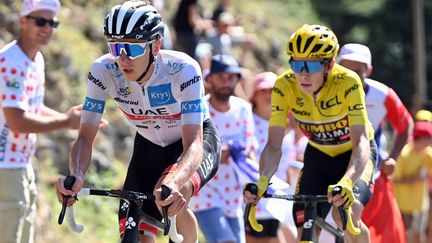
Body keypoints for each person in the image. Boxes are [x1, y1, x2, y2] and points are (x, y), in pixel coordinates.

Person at [55, 1, 221, 243]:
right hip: (148, 144)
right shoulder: (103, 71)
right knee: (135, 227)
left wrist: (175, 181)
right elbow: (85, 135)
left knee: (175, 193)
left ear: (156, 45)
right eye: (115, 46)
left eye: (132, 49)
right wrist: (76, 175)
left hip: (195, 142)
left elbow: (193, 143)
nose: (123, 58)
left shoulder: (183, 70)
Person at [243, 24, 377, 243]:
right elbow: (274, 145)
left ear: (329, 65)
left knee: (346, 217)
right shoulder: (283, 86)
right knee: (304, 230)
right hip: (318, 155)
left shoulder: (349, 83)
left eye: (311, 66)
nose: (302, 74)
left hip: (353, 155)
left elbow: (361, 142)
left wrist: (347, 181)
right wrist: (263, 181)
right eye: (296, 64)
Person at [0, 0, 82, 243]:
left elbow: (33, 108)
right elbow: (17, 121)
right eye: (41, 21)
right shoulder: (10, 62)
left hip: (21, 163)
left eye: (53, 22)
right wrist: (66, 122)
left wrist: (69, 119)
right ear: (23, 21)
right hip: (4, 166)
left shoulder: (36, 60)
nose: (47, 27)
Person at [321, 43, 413, 243]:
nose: (352, 75)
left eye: (358, 71)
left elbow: (406, 125)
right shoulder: (323, 90)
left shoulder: (383, 95)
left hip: (372, 174)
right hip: (333, 173)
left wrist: (392, 158)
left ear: (368, 71)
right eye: (346, 69)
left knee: (383, 234)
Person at [189, 54, 255, 243]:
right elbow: (191, 147)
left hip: (234, 196)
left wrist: (253, 183)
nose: (226, 82)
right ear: (210, 79)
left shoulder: (243, 109)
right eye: (221, 77)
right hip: (205, 194)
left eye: (231, 77)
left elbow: (250, 148)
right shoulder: (200, 109)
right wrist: (219, 154)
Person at [393, 121, 432, 243]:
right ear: (420, 138)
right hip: (405, 206)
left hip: (421, 205)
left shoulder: (427, 153)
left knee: (419, 237)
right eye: (428, 139)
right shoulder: (404, 154)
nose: (430, 142)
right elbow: (393, 179)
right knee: (405, 237)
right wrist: (414, 179)